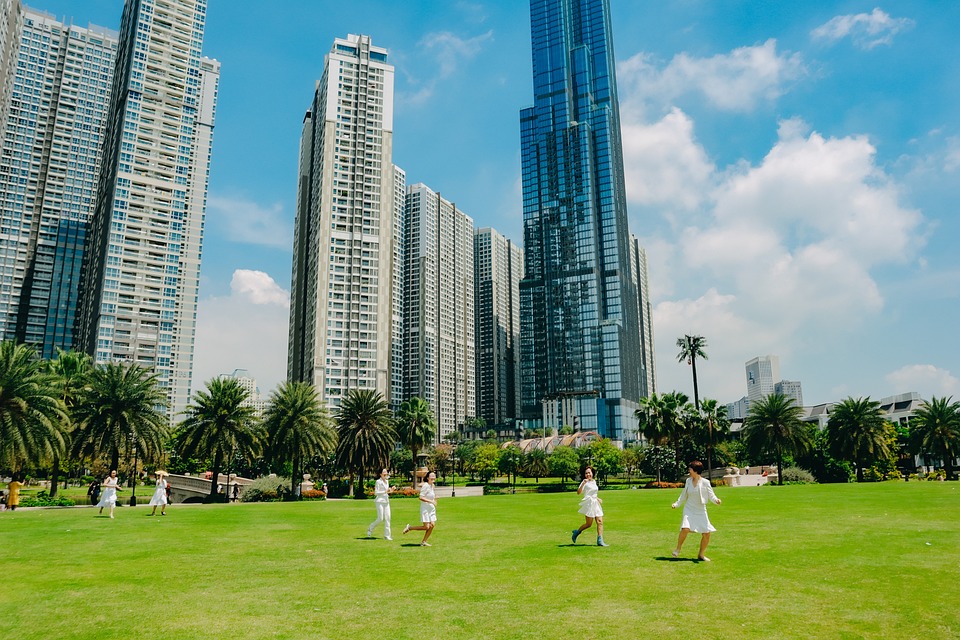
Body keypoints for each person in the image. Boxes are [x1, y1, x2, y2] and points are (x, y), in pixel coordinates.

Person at [671, 460, 722, 561]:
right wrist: (676, 504)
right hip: (689, 509)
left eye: (690, 469)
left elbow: (711, 495)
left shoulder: (705, 482)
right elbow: (683, 495)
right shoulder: (688, 481)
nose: (689, 471)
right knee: (685, 528)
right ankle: (678, 549)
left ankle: (701, 555)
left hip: (701, 510)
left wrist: (716, 500)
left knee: (706, 533)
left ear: (696, 471)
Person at [571, 466, 607, 546]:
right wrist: (583, 483)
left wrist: (597, 498)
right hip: (589, 503)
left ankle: (600, 541)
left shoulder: (594, 482)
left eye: (589, 473)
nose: (588, 474)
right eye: (586, 473)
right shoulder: (584, 482)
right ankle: (577, 532)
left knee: (600, 522)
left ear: (592, 473)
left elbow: (593, 493)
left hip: (596, 503)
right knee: (588, 524)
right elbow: (578, 492)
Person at [403, 470, 437, 546]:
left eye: (434, 476)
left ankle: (424, 542)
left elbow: (431, 496)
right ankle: (410, 528)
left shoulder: (432, 486)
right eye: (431, 476)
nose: (433, 477)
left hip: (431, 509)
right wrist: (431, 501)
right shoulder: (425, 485)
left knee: (432, 525)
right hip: (425, 508)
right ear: (428, 478)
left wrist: (435, 499)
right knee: (426, 527)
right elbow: (421, 497)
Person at [367, 468, 395, 540]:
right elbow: (376, 493)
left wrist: (392, 490)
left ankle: (387, 536)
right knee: (380, 518)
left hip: (386, 501)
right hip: (379, 501)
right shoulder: (378, 482)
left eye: (386, 472)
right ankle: (370, 528)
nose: (386, 473)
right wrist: (385, 491)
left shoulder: (387, 481)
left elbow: (388, 492)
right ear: (380, 474)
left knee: (388, 518)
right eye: (384, 472)